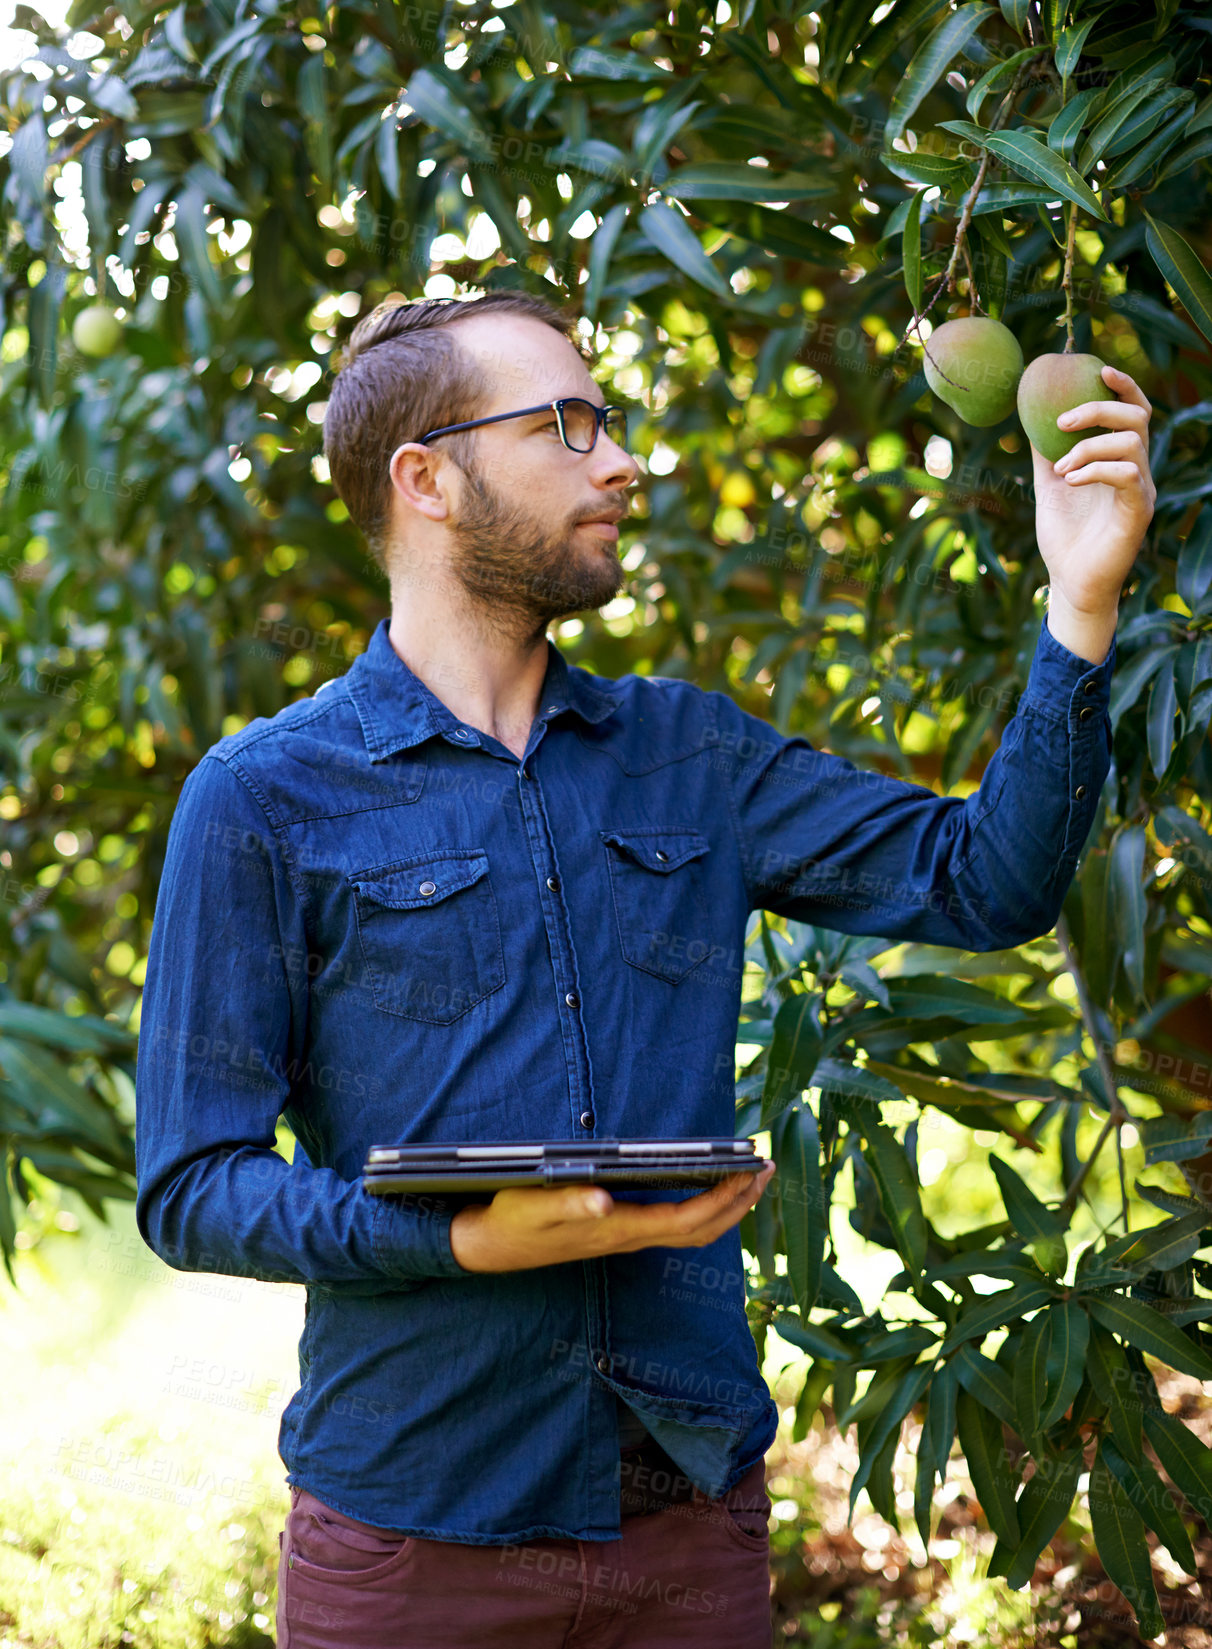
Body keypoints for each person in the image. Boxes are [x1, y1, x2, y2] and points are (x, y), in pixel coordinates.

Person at [134, 289, 1155, 1648]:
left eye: (609, 424)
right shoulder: (264, 796)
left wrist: (1080, 601)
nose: (622, 461)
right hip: (413, 1545)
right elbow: (193, 1186)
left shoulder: (687, 753)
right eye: (568, 424)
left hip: (687, 1529)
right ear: (425, 478)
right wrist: (454, 1238)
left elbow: (986, 879)